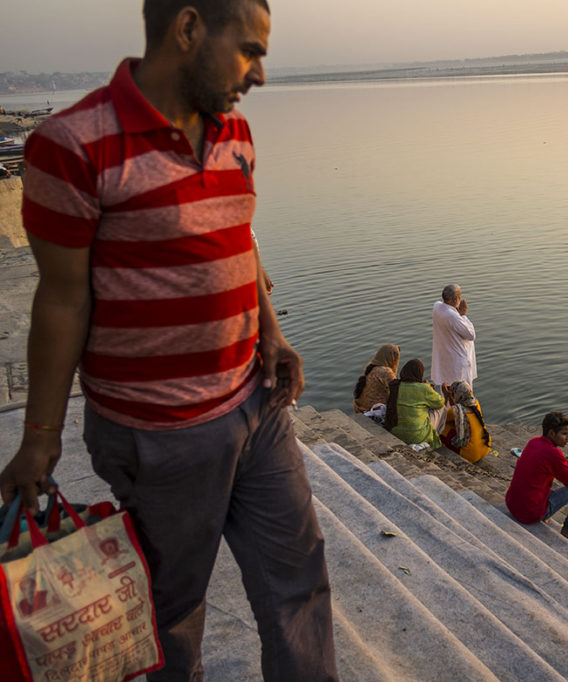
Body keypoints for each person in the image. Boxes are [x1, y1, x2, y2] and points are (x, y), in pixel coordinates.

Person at [0, 2, 338, 679]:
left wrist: (271, 335)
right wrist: (41, 434)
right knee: (170, 612)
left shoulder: (235, 130)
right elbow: (61, 299)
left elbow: (238, 236)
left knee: (300, 583)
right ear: (187, 31)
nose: (261, 75)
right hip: (162, 434)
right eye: (248, 51)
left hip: (257, 405)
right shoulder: (72, 144)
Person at [505, 412, 568, 541]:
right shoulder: (554, 453)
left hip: (513, 504)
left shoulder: (534, 442)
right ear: (552, 433)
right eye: (564, 434)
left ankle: (552, 516)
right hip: (530, 513)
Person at [386, 359, 446, 449]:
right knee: (442, 408)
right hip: (417, 437)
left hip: (396, 433)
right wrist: (429, 388)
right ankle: (438, 435)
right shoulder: (423, 388)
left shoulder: (394, 386)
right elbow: (440, 402)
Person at [431, 284, 477, 388]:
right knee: (462, 392)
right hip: (458, 362)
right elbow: (471, 335)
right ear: (456, 298)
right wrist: (463, 315)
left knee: (447, 391)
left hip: (445, 359)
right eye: (459, 297)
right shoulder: (453, 316)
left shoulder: (437, 307)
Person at [440, 380, 493, 463]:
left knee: (443, 427)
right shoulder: (476, 404)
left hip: (469, 455)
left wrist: (446, 397)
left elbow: (441, 418)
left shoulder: (455, 411)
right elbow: (459, 415)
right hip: (486, 448)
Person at [352, 343, 401, 413]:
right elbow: (398, 391)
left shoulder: (370, 366)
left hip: (359, 407)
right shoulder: (386, 372)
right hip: (372, 411)